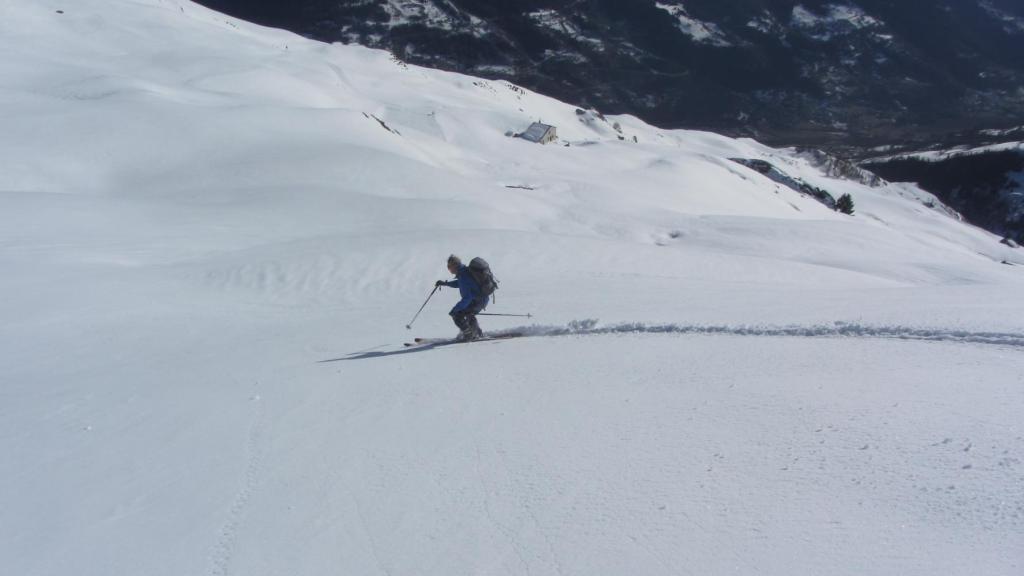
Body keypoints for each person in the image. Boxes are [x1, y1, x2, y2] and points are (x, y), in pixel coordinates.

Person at [436, 254, 487, 341]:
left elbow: (467, 298)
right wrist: (445, 283)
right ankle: (476, 332)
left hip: (477, 301)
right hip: (481, 299)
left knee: (457, 315)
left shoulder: (463, 276)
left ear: (455, 265)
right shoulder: (464, 272)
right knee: (468, 313)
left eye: (449, 266)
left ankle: (469, 334)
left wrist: (455, 309)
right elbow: (459, 283)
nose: (448, 269)